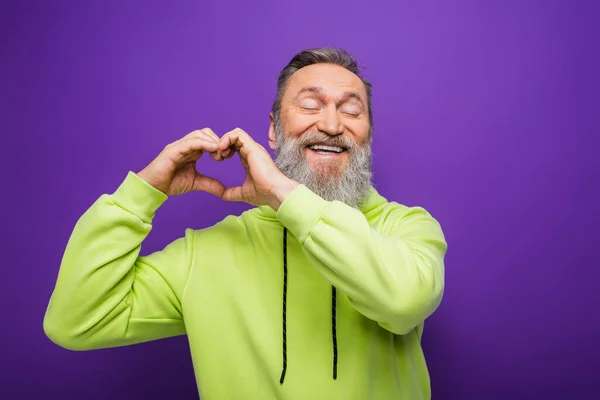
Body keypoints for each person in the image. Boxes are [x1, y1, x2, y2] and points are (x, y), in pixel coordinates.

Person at [43, 47, 447, 399]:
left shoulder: (406, 227)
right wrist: (143, 192)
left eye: (351, 110)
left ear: (367, 135)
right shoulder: (206, 252)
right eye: (310, 105)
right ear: (273, 130)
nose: (331, 124)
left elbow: (403, 300)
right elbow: (75, 321)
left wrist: (282, 194)